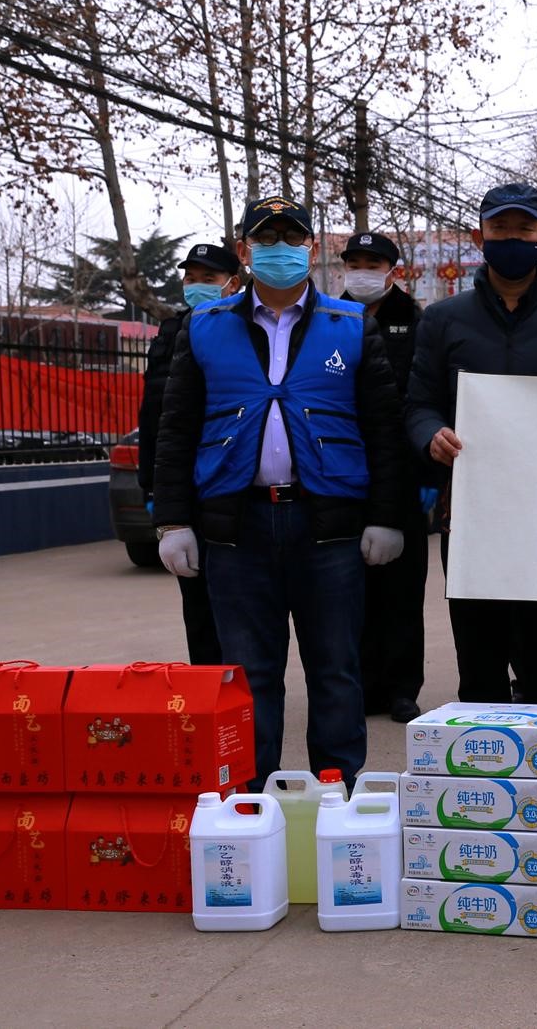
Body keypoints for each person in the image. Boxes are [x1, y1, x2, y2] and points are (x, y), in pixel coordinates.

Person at [152, 195, 409, 787]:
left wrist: (387, 515)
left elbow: (383, 428)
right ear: (244, 252)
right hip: (237, 527)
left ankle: (338, 792)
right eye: (266, 239)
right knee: (248, 674)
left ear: (311, 249)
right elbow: (177, 428)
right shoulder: (204, 327)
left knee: (336, 669)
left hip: (328, 526)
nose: (280, 249)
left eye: (292, 238)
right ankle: (251, 797)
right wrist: (173, 520)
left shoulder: (351, 326)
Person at [407, 182, 537, 705]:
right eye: (500, 229)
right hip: (472, 518)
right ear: (480, 238)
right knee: (481, 671)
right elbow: (419, 403)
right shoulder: (443, 319)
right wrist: (431, 434)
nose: (512, 239)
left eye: (524, 229)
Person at [338, 231, 428, 723]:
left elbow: (425, 395)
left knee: (401, 590)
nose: (362, 272)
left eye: (373, 264)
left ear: (393, 270)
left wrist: (427, 473)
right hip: (344, 473)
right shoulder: (330, 317)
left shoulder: (416, 320)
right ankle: (362, 684)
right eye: (355, 263)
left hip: (402, 471)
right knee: (350, 591)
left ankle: (401, 688)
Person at [137, 242, 239, 665]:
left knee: (241, 603)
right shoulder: (171, 332)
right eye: (191, 278)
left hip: (230, 483)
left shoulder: (247, 330)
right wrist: (153, 488)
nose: (197, 286)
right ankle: (208, 687)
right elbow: (153, 418)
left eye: (208, 279)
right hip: (186, 486)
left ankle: (248, 688)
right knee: (197, 600)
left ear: (233, 284)